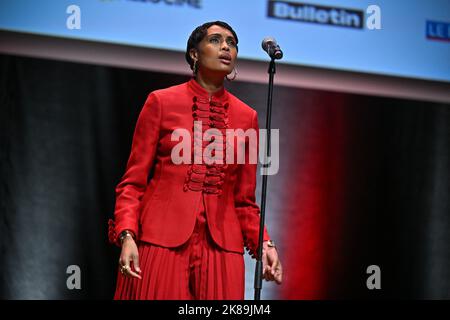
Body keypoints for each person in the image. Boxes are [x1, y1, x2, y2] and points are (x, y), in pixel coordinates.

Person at [108, 21, 282, 300]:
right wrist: (127, 234)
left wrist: (265, 243)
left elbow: (244, 201)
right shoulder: (161, 102)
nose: (226, 46)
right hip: (161, 241)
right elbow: (133, 183)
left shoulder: (246, 117)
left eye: (232, 42)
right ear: (194, 54)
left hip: (221, 249)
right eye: (215, 40)